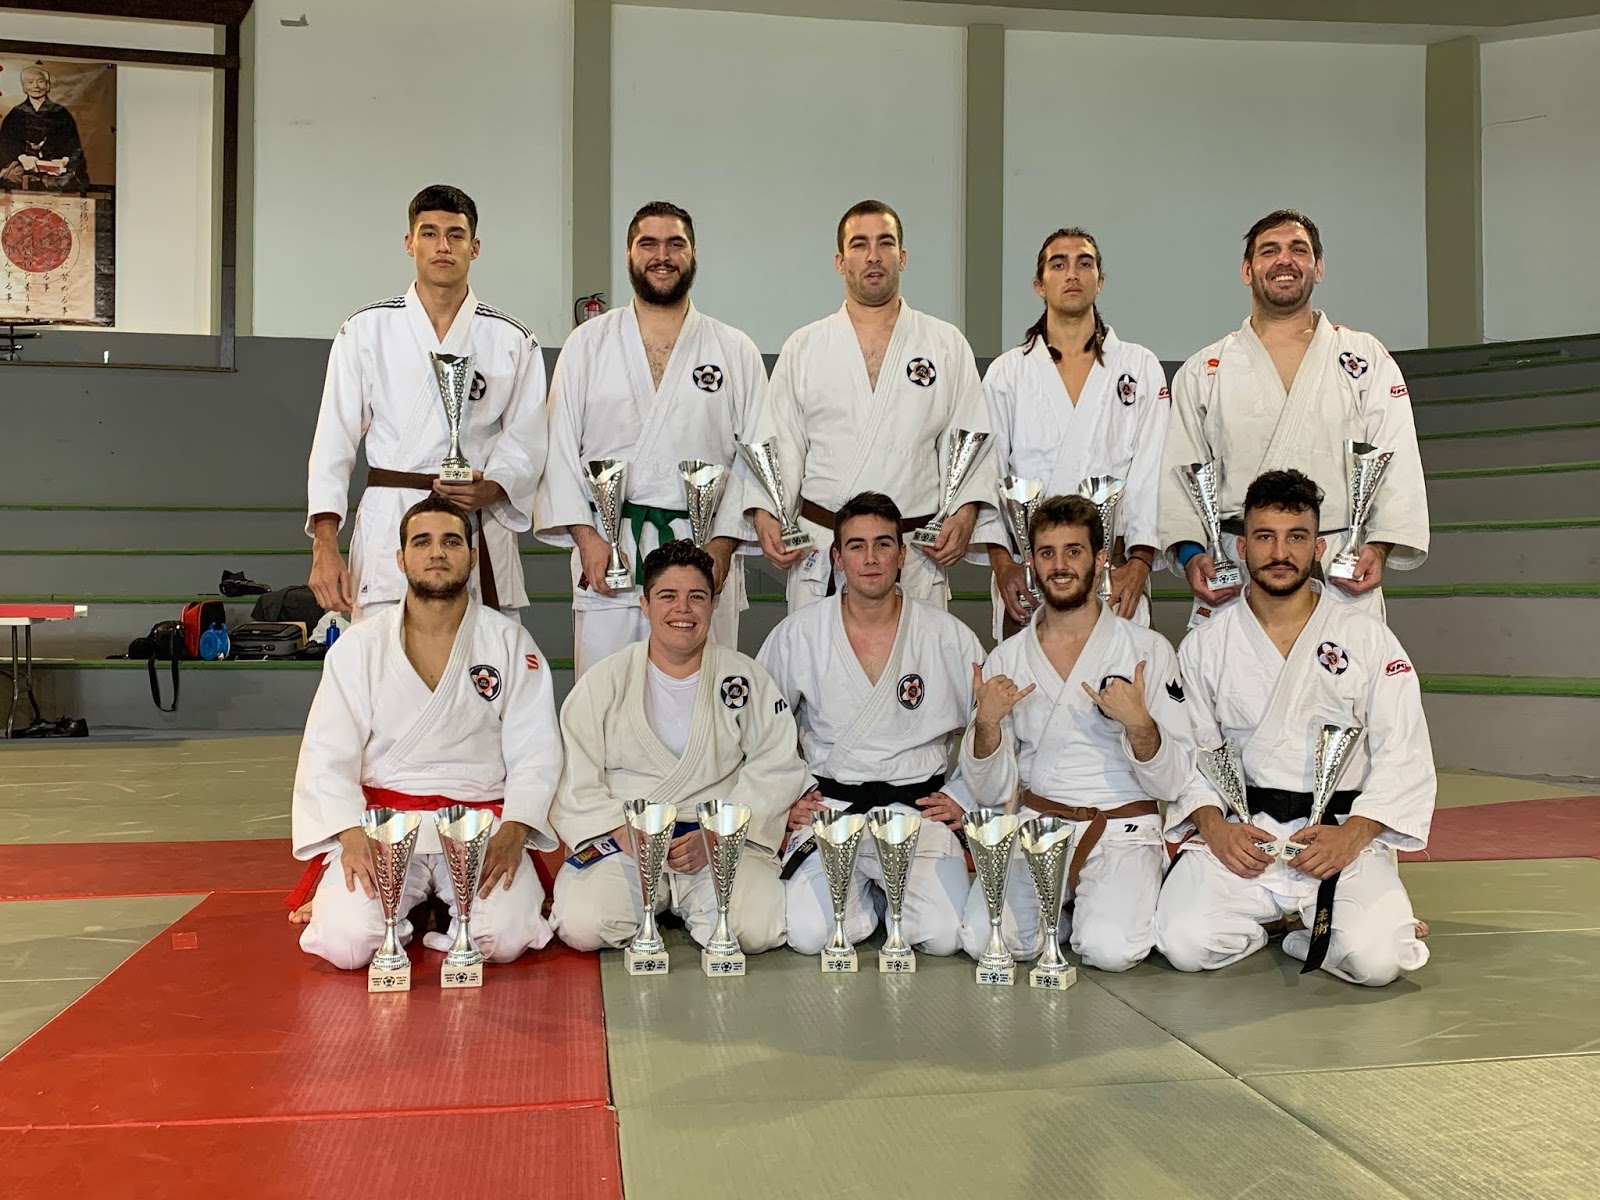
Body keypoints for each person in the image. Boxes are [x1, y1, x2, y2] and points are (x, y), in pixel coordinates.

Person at [1154, 469, 1433, 986]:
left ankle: (1310, 930)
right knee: (1185, 942)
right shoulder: (1206, 644)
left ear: (1318, 548)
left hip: (1336, 834)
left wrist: (1352, 836)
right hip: (1246, 834)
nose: (1280, 552)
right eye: (1265, 537)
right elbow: (1189, 752)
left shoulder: (1366, 638)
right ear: (1242, 548)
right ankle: (1279, 923)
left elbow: (1404, 751)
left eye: (1296, 537)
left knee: (1378, 963)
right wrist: (1216, 830)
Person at [291, 495, 562, 970]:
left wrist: (516, 829)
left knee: (505, 937)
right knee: (345, 942)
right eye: (422, 542)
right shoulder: (359, 646)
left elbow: (536, 749)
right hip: (384, 826)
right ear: (400, 559)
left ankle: (432, 917)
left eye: (451, 542)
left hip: (482, 825)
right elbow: (326, 752)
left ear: (472, 557)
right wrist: (350, 836)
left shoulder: (508, 641)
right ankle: (414, 913)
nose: (437, 552)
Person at [1159, 209, 1428, 629]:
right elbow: (1179, 468)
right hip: (1236, 564)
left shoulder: (1364, 358)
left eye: (1298, 250)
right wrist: (1193, 555)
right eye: (1269, 251)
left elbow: (1397, 457)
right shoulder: (1204, 369)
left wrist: (1378, 547)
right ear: (1247, 270)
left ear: (1318, 267)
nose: (1284, 260)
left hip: (1338, 564)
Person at [959, 494, 1193, 972]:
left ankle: (1088, 910)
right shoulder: (1007, 657)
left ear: (1100, 558)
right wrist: (986, 724)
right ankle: (1066, 914)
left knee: (1111, 951)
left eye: (1074, 551)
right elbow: (990, 790)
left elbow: (1173, 782)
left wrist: (1140, 724)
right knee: (985, 940)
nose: (1060, 565)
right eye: (1047, 553)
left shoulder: (1146, 650)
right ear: (1031, 562)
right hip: (1038, 826)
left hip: (1122, 829)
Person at [535, 201, 764, 677]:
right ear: (629, 254)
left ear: (693, 253)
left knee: (703, 696)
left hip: (702, 555)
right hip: (612, 552)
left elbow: (755, 456)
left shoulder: (734, 349)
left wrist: (722, 546)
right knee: (606, 693)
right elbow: (559, 450)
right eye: (649, 244)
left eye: (675, 244)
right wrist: (587, 539)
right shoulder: (587, 344)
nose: (663, 256)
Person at [549, 540, 806, 954]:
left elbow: (775, 765)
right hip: (626, 840)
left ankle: (687, 902)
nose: (682, 609)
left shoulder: (744, 678)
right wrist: (622, 832)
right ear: (645, 605)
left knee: (756, 927)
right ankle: (656, 902)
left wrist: (718, 833)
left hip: (715, 835)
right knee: (583, 923)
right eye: (668, 596)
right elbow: (575, 772)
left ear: (713, 603)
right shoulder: (605, 681)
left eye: (696, 597)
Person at [306, 184, 547, 623]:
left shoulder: (512, 339)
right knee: (382, 660)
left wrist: (492, 487)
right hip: (391, 523)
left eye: (456, 235)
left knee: (486, 660)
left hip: (474, 522)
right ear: (409, 243)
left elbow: (528, 441)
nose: (443, 246)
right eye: (429, 233)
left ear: (475, 247)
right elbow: (333, 441)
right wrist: (324, 542)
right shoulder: (365, 330)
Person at [741, 199, 996, 613]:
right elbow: (779, 442)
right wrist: (768, 514)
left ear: (903, 257)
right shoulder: (805, 346)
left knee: (917, 654)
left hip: (913, 549)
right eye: (859, 245)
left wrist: (965, 513)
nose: (873, 256)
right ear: (840, 261)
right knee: (815, 655)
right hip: (825, 546)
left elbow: (970, 441)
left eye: (885, 243)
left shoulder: (945, 344)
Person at [757, 492, 981, 958]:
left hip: (916, 810)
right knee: (810, 935)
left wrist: (962, 795)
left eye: (883, 544)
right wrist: (788, 797)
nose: (871, 558)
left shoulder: (947, 636)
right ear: (837, 558)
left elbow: (989, 723)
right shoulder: (799, 633)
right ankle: (874, 900)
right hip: (832, 810)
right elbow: (762, 730)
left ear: (902, 556)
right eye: (856, 546)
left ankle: (884, 894)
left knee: (943, 937)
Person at [980, 227, 1167, 637]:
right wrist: (1003, 565)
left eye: (1085, 263)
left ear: (1100, 281)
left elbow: (1150, 473)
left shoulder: (1140, 367)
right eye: (1058, 264)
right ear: (1039, 284)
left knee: (1124, 673)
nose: (1072, 274)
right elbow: (987, 475)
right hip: (1032, 567)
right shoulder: (1007, 373)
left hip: (1113, 567)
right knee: (1027, 676)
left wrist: (1139, 564)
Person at [0, 66, 88, 191]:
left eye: (40, 81)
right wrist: (22, 158)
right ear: (24, 87)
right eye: (30, 82)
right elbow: (6, 142)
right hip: (23, 166)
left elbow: (72, 144)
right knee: (12, 176)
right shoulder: (16, 114)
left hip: (53, 166)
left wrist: (63, 160)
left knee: (65, 180)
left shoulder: (61, 113)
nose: (36, 86)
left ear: (48, 86)